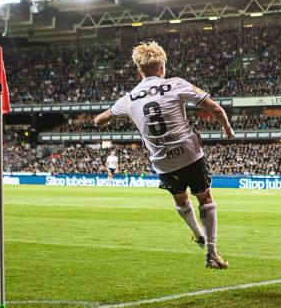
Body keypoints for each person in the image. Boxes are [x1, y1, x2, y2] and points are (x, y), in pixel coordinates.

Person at [91, 41, 235, 269]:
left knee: (180, 198)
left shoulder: (128, 98)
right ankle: (211, 253)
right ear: (162, 68)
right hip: (189, 153)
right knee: (204, 197)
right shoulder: (176, 84)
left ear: (139, 71)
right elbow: (215, 108)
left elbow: (99, 120)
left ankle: (197, 232)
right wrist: (227, 129)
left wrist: (121, 115)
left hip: (163, 161)